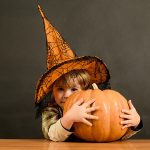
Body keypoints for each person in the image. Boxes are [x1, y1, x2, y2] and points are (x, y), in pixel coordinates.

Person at [35, 4, 143, 142]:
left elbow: (114, 132)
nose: (66, 95)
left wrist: (134, 124)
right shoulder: (52, 110)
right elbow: (52, 135)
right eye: (60, 89)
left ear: (84, 90)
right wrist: (69, 118)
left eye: (73, 89)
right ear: (52, 91)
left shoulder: (94, 105)